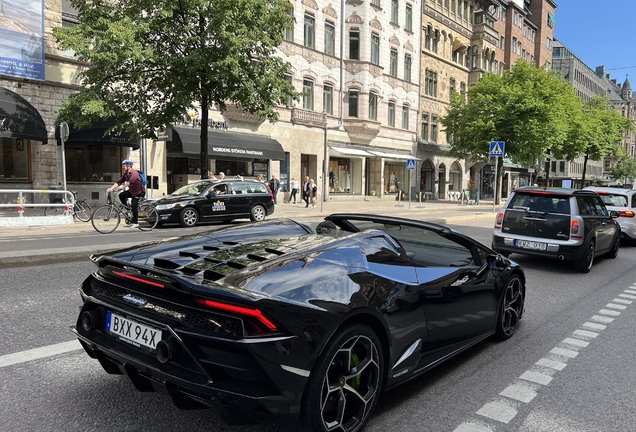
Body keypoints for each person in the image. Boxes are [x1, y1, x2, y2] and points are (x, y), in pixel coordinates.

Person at [107, 159, 145, 228]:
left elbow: (130, 182)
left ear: (129, 166)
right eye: (123, 166)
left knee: (134, 206)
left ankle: (136, 222)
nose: (123, 167)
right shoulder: (126, 174)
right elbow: (119, 182)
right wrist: (111, 188)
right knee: (121, 195)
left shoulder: (134, 173)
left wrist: (123, 187)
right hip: (132, 191)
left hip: (139, 192)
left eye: (124, 166)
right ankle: (127, 210)